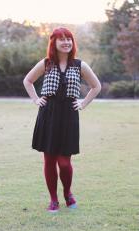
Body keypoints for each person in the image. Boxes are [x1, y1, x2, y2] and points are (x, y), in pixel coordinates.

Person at [23, 27, 101, 213]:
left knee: (65, 163)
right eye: (62, 39)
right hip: (48, 114)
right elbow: (28, 80)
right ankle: (53, 200)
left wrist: (83, 104)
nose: (66, 42)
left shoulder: (80, 65)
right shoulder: (46, 63)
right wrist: (35, 99)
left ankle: (68, 193)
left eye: (69, 39)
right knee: (49, 160)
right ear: (54, 43)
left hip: (69, 115)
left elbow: (96, 86)